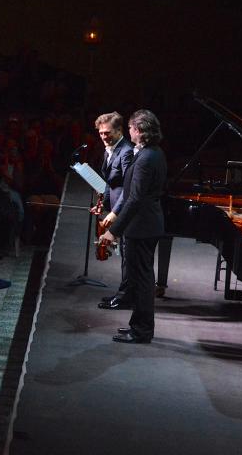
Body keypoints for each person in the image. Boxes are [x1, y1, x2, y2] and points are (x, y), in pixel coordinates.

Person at [100, 109, 167, 343]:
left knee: (142, 281)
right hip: (146, 225)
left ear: (138, 130)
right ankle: (137, 326)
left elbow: (135, 198)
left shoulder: (147, 158)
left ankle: (141, 330)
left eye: (130, 128)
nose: (129, 132)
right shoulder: (153, 153)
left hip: (141, 227)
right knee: (142, 280)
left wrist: (113, 230)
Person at [93, 112, 135, 311]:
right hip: (117, 207)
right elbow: (111, 183)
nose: (103, 137)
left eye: (107, 133)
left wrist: (115, 213)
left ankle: (126, 297)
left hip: (126, 211)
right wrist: (103, 205)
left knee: (128, 255)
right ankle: (123, 294)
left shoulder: (126, 151)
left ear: (119, 131)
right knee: (124, 254)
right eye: (101, 133)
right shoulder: (110, 150)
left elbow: (128, 188)